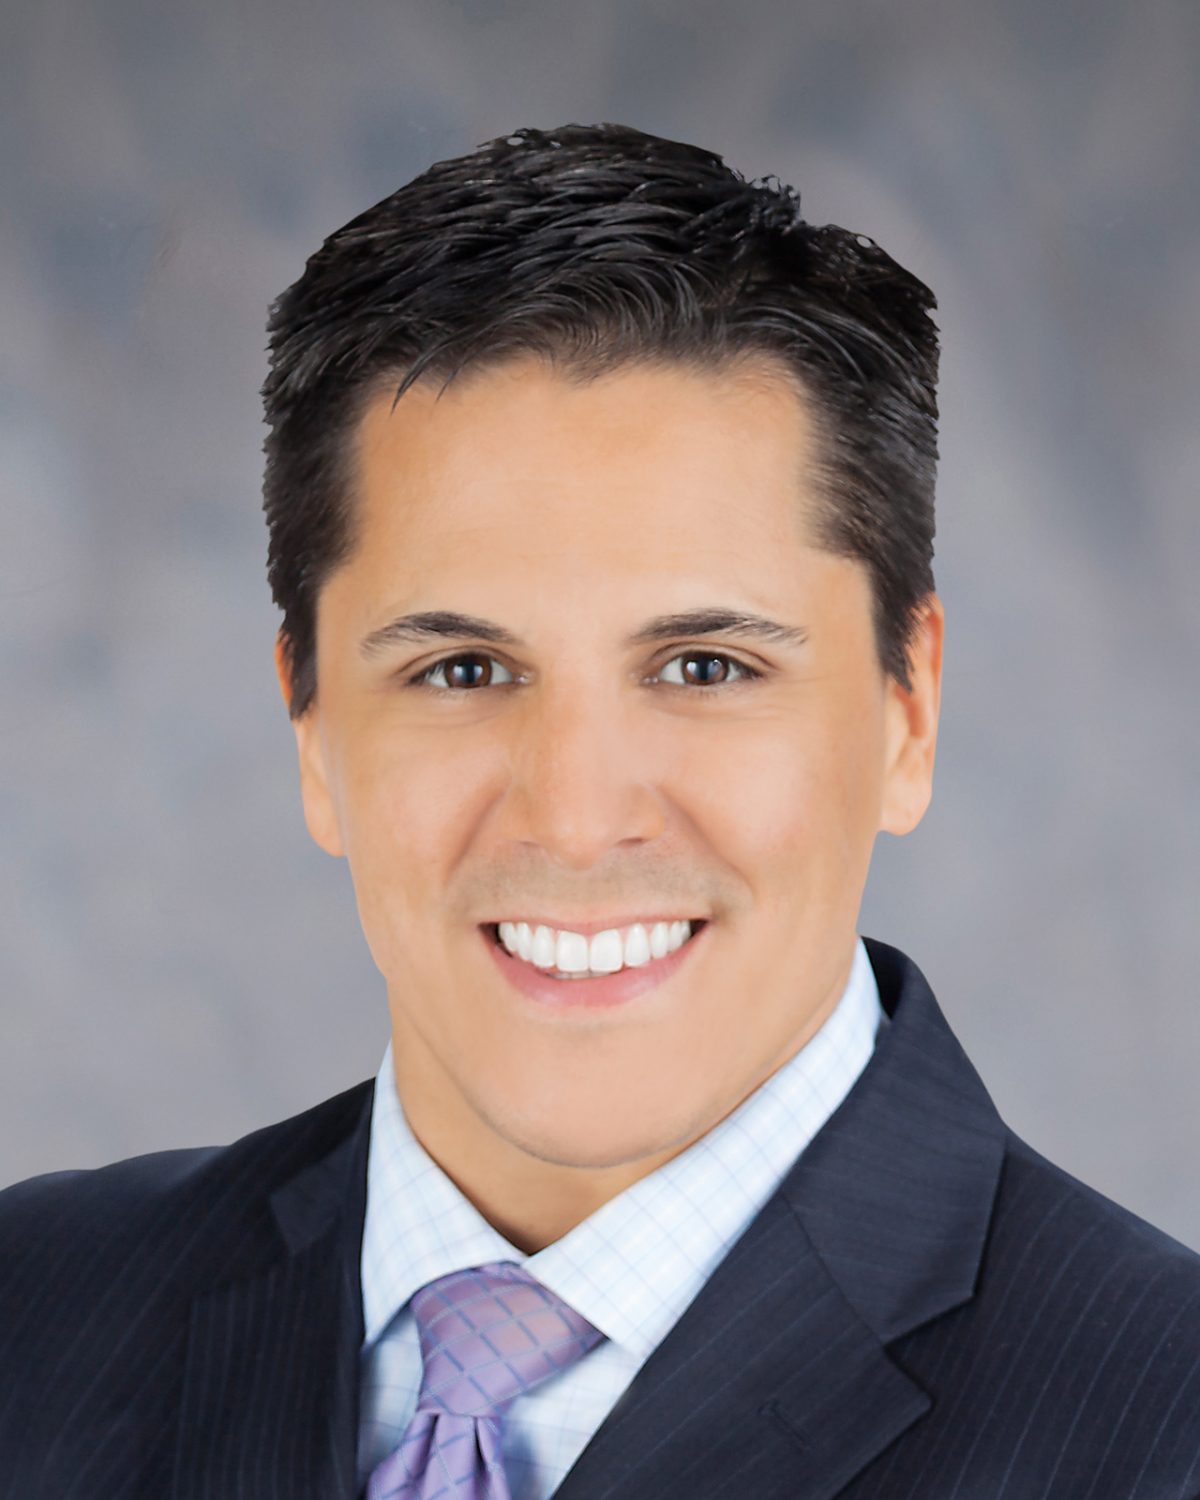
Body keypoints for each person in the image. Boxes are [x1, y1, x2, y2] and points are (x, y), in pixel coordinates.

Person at [2, 122, 1198, 1500]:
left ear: (908, 708)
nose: (574, 819)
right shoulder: (31, 1317)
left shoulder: (1164, 1429)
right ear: (313, 727)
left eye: (705, 667)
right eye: (463, 669)